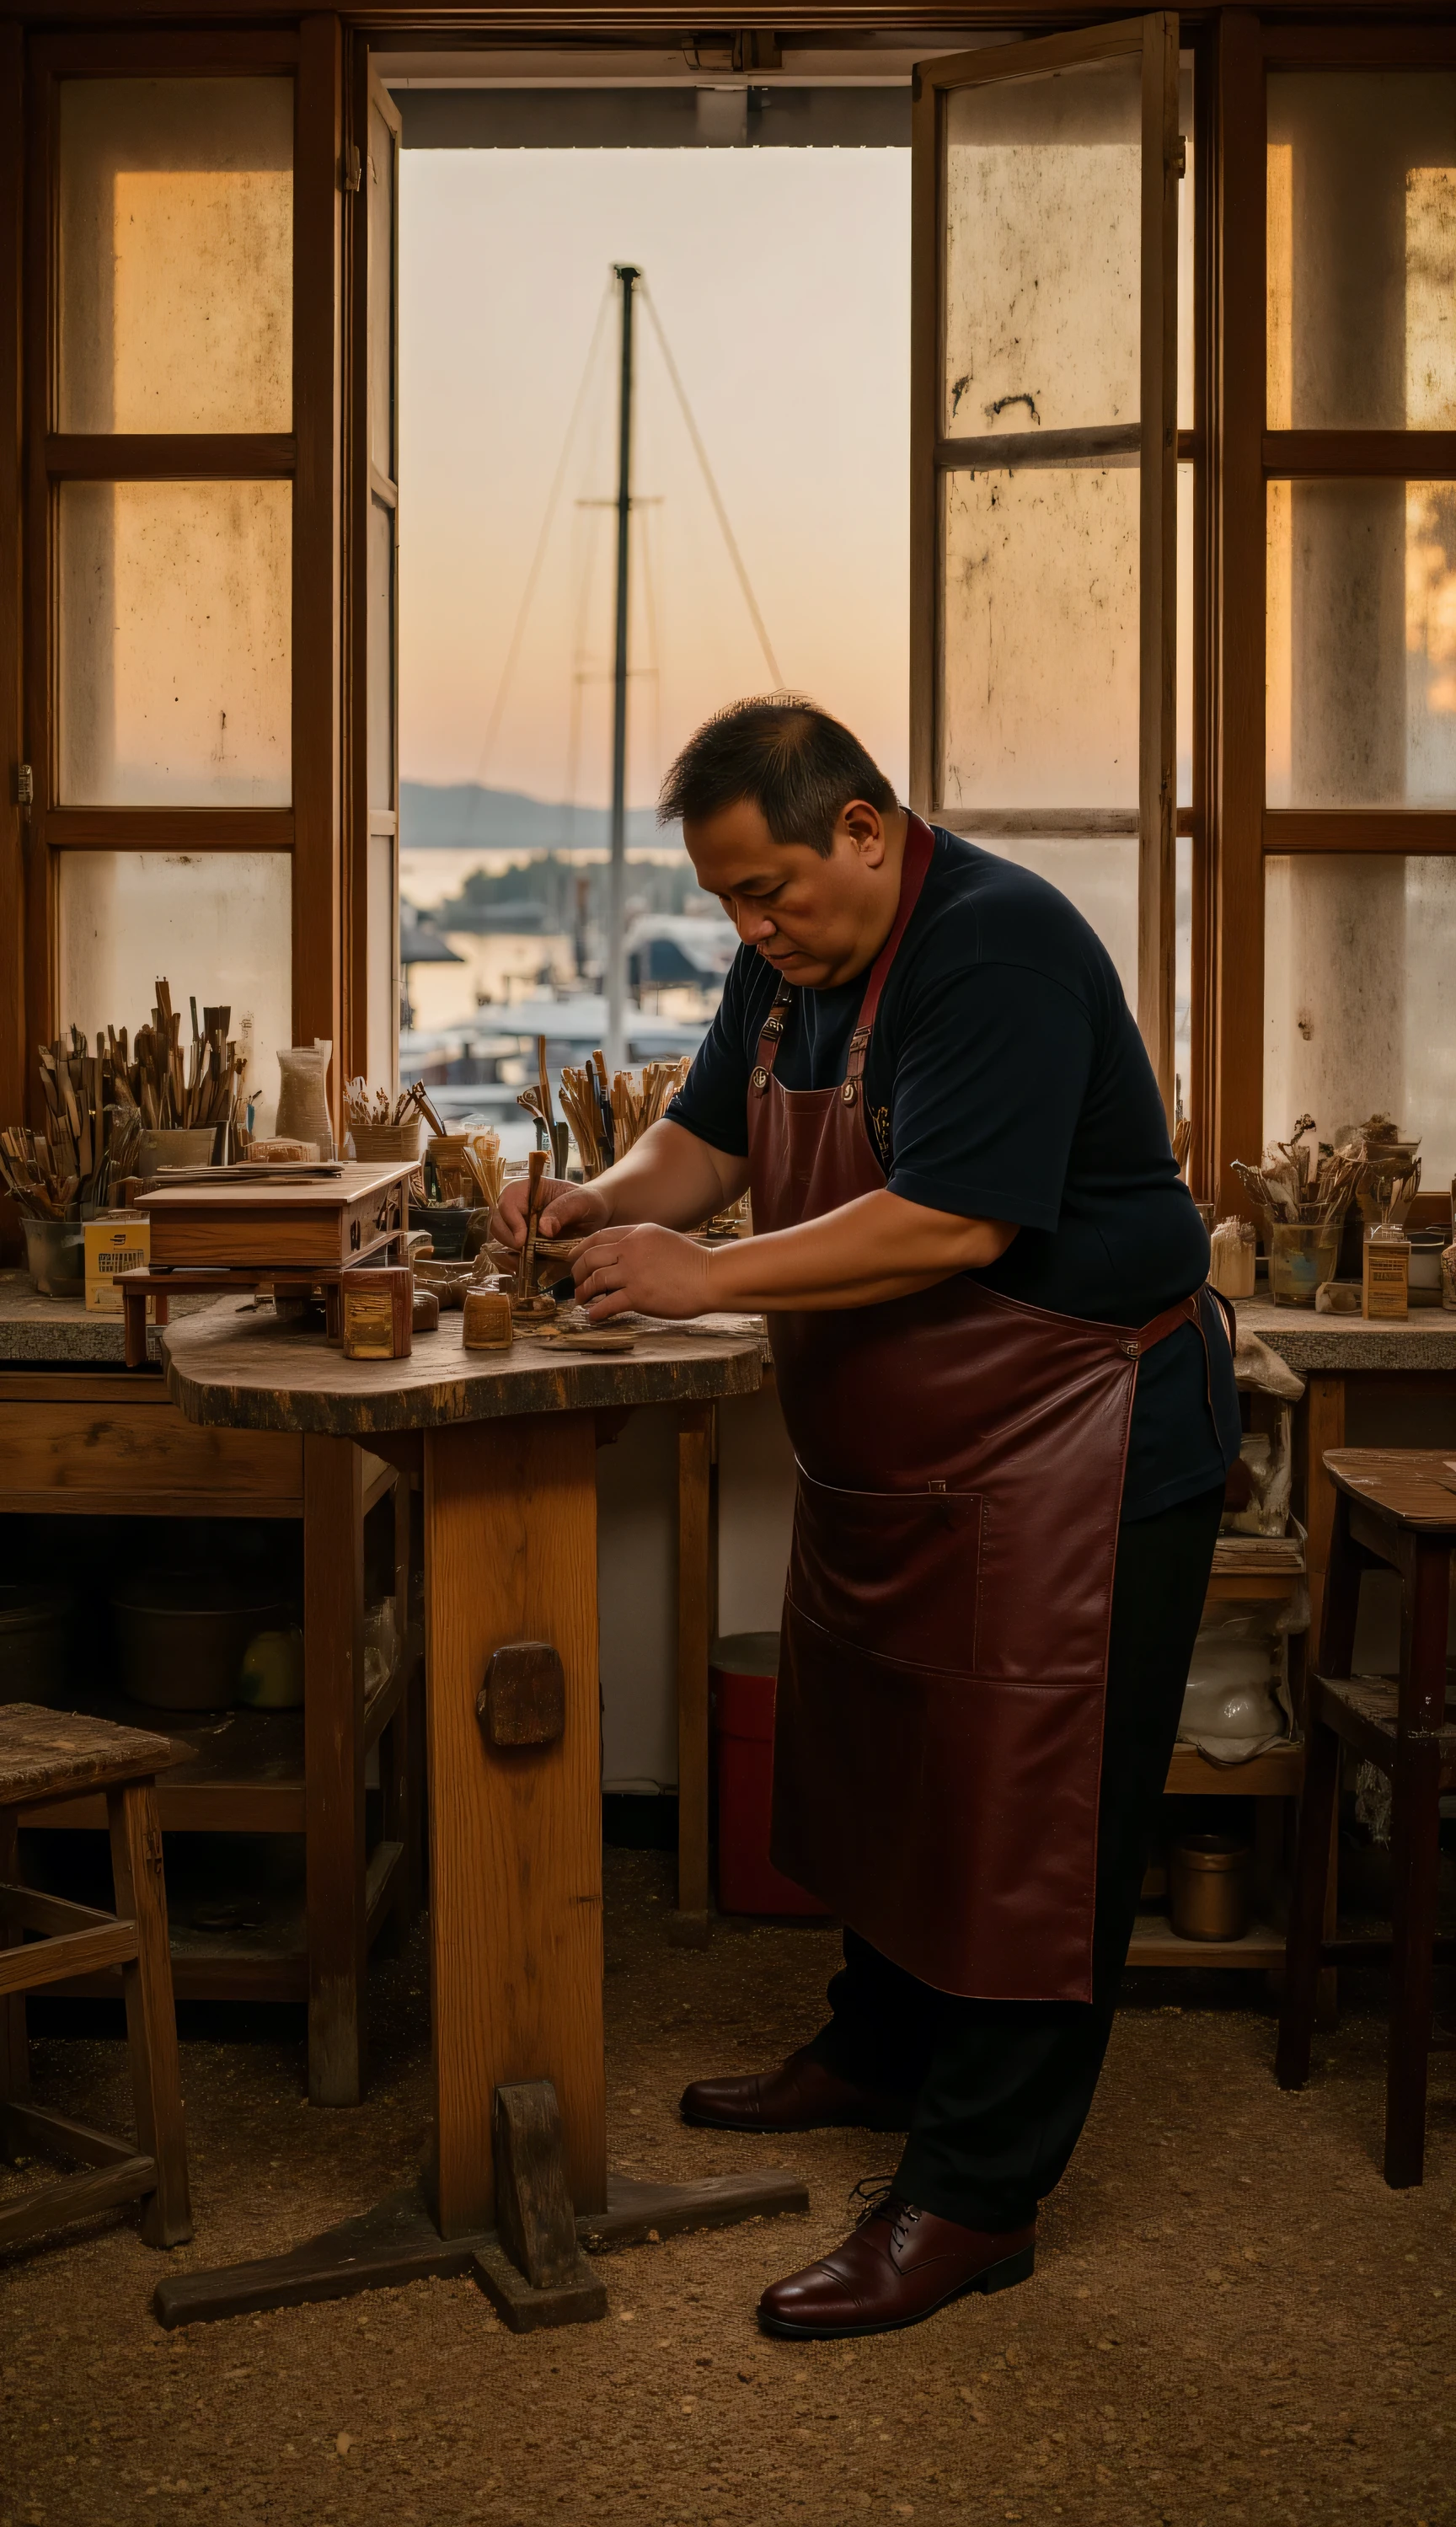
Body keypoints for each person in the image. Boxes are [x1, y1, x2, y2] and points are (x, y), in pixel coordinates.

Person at [492, 695, 1238, 2342]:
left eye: (772, 892)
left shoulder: (1000, 948)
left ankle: (976, 2198)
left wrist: (704, 1278)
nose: (753, 932)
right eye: (729, 904)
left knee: (1028, 1828)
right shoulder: (792, 964)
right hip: (907, 1464)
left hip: (1078, 1446)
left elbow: (958, 1222)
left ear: (866, 827)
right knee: (891, 1765)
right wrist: (589, 1207)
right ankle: (879, 2052)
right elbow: (700, 1147)